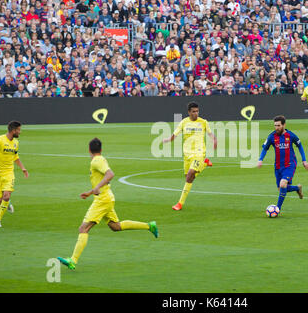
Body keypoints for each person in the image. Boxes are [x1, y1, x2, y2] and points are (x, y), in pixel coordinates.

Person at [57, 138, 158, 270]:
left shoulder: (96, 161)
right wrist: (90, 192)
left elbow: (110, 174)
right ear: (101, 149)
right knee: (115, 226)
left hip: (103, 200)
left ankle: (73, 260)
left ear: (89, 150)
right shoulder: (100, 159)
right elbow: (103, 178)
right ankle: (149, 226)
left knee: (83, 228)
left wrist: (97, 187)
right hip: (106, 197)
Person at [162, 102, 217, 211]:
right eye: (193, 112)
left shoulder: (203, 122)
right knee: (189, 177)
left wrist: (214, 140)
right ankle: (205, 163)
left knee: (190, 174)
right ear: (189, 112)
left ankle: (180, 203)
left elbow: (211, 134)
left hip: (199, 152)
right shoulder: (184, 122)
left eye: (197, 111)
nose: (196, 113)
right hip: (187, 154)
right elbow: (175, 134)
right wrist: (168, 139)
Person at [257, 115, 308, 215]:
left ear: (284, 125)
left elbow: (300, 146)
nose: (276, 128)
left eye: (278, 125)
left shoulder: (291, 135)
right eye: (275, 125)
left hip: (290, 164)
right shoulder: (272, 136)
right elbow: (265, 148)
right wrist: (260, 159)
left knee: (283, 184)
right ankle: (297, 188)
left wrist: (304, 160)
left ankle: (277, 209)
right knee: (281, 189)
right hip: (278, 166)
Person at [0, 121, 29, 228]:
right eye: (18, 130)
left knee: (6, 196)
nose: (20, 132)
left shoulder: (16, 143)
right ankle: (7, 204)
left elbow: (15, 156)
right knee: (0, 201)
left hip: (9, 173)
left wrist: (23, 168)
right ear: (13, 130)